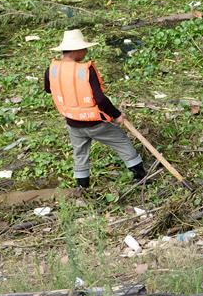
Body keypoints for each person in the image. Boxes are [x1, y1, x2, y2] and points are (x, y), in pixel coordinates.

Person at [44, 29, 146, 188]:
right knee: (122, 141)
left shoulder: (53, 69)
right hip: (94, 123)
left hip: (73, 123)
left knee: (80, 155)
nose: (86, 51)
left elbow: (49, 89)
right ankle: (141, 177)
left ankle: (82, 188)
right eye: (84, 48)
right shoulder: (85, 70)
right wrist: (117, 115)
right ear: (76, 50)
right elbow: (100, 99)